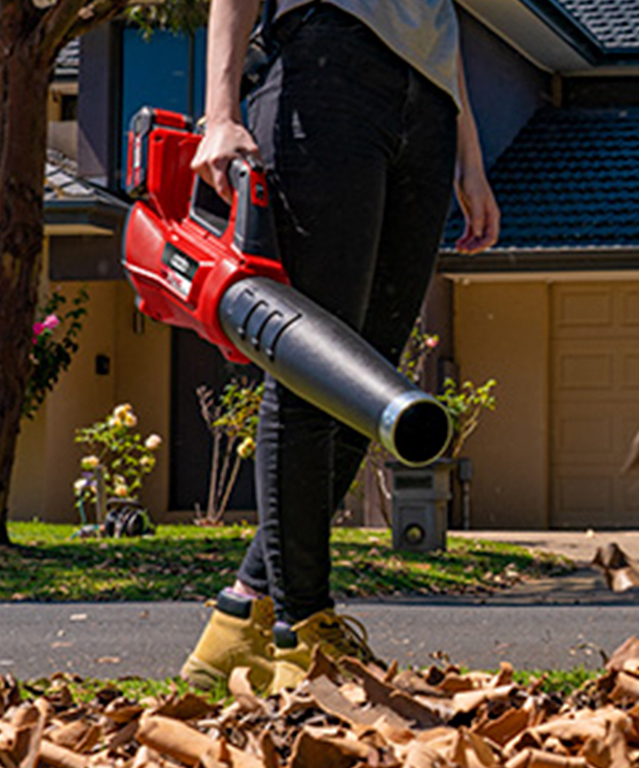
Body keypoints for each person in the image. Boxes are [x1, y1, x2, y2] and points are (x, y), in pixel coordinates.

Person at [180, 0, 500, 694]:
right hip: (328, 68)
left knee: (366, 384)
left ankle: (239, 622)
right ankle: (301, 628)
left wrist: (470, 159)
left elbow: (442, 22)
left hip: (429, 107)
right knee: (311, 365)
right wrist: (222, 112)